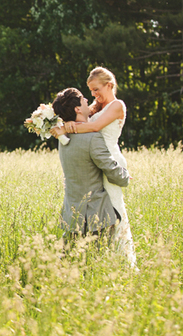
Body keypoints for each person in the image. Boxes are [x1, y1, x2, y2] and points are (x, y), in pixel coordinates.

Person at [54, 67, 137, 267]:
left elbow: (94, 127)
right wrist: (64, 124)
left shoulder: (117, 105)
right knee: (104, 207)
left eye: (96, 89)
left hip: (109, 159)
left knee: (114, 209)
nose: (93, 95)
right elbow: (74, 111)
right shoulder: (96, 107)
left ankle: (121, 260)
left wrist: (67, 128)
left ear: (109, 85)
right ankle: (104, 259)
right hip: (96, 158)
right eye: (90, 91)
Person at [50, 87, 130, 244]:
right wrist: (125, 176)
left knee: (72, 257)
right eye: (83, 99)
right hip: (95, 214)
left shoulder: (63, 137)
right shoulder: (92, 138)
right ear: (78, 109)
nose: (87, 100)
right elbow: (111, 169)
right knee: (100, 256)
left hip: (71, 214)